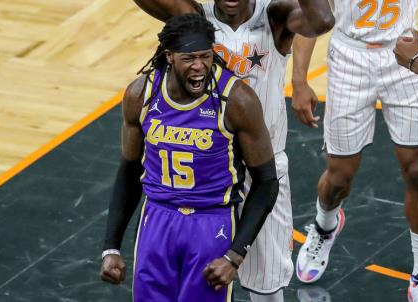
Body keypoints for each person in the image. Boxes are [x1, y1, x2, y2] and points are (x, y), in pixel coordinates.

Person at [133, 0, 335, 300]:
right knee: (195, 287)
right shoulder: (196, 16)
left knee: (266, 290)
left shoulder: (275, 14)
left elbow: (321, 22)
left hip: (261, 170)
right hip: (208, 173)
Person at [100, 14, 280, 302]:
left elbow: (267, 182)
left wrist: (235, 255)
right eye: (189, 59)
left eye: (205, 56)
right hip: (157, 219)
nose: (199, 67)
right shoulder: (141, 94)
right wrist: (111, 247)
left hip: (211, 222)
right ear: (170, 56)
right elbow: (130, 170)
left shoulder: (237, 100)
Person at [291, 1, 418, 301]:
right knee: (339, 177)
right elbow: (312, 9)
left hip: (405, 52)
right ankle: (324, 225)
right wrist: (299, 79)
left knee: (416, 169)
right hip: (350, 56)